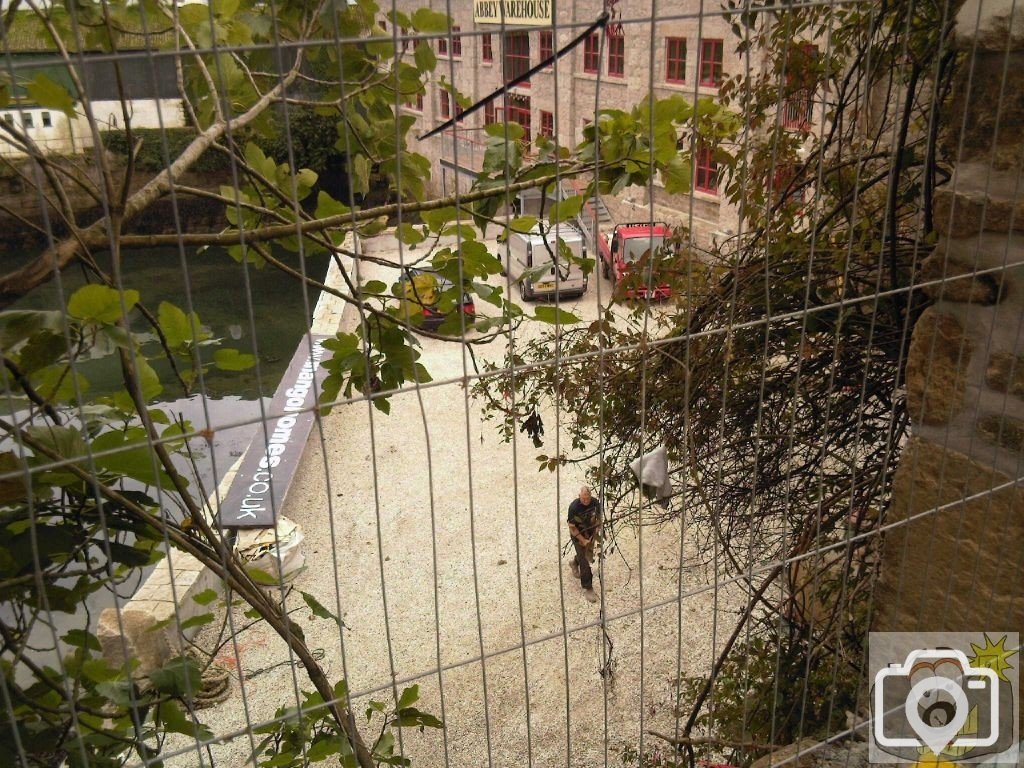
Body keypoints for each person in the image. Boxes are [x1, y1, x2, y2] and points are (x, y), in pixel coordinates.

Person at [567, 485, 601, 603]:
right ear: (579, 497)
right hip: (578, 534)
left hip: (590, 533)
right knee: (585, 560)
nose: (586, 501)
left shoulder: (595, 503)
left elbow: (598, 518)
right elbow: (572, 528)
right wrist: (583, 540)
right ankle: (588, 587)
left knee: (584, 555)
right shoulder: (574, 507)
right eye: (583, 499)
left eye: (588, 498)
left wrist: (596, 532)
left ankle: (574, 562)